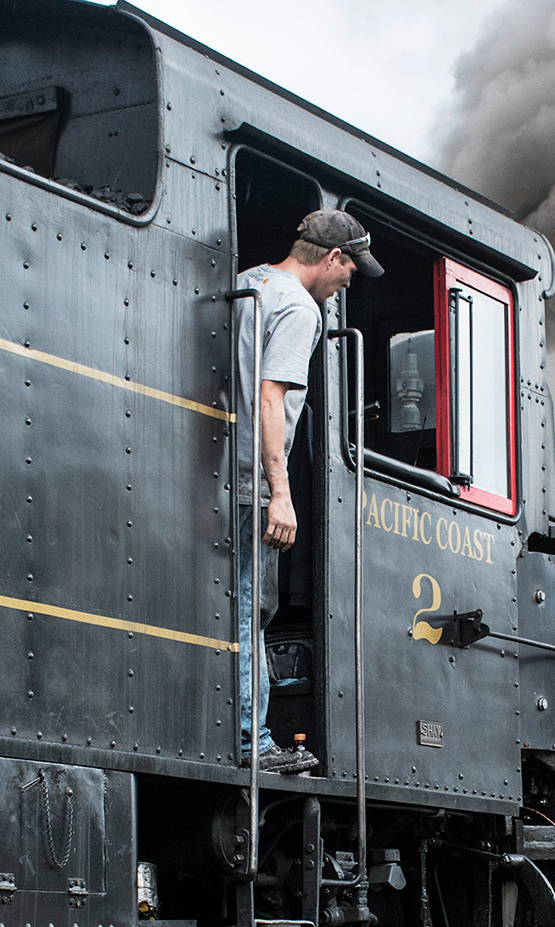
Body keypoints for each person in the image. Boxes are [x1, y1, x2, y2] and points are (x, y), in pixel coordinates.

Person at [233, 209, 382, 775]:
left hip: (219, 473)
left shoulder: (249, 282)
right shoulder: (298, 308)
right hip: (250, 481)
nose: (349, 283)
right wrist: (281, 491)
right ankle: (253, 741)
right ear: (332, 258)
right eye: (351, 269)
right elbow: (271, 399)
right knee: (253, 611)